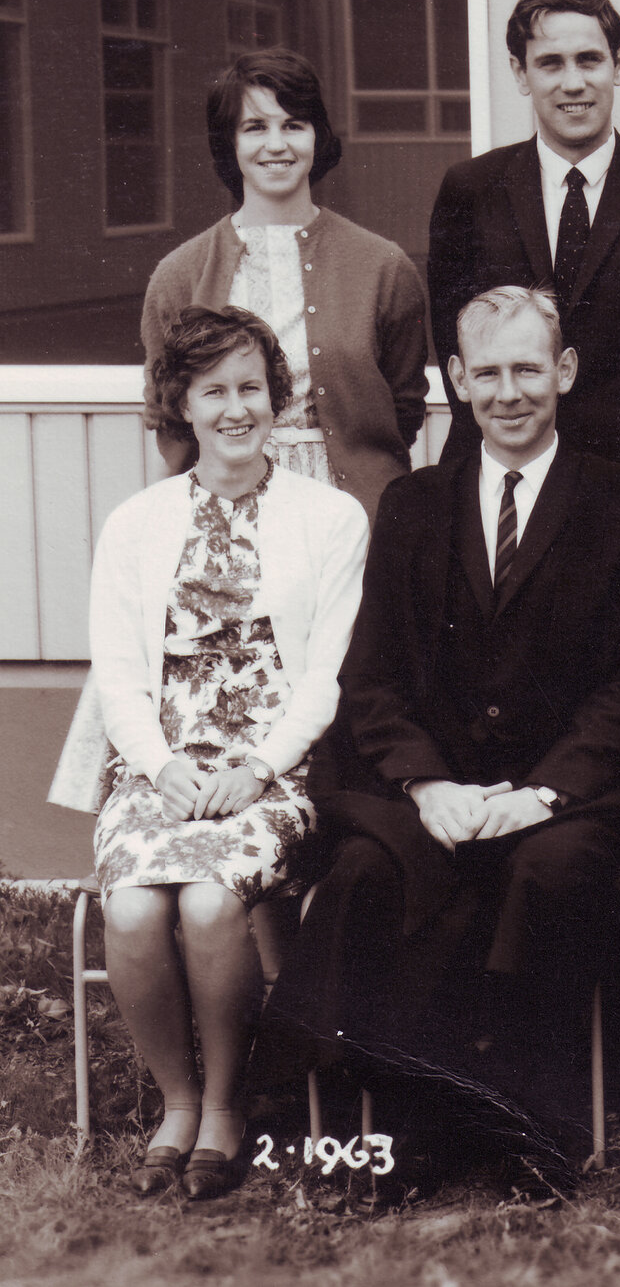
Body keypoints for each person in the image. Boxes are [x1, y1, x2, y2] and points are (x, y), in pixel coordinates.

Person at [254, 286, 620, 1201]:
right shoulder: (413, 505)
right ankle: (405, 1125)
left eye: (528, 368)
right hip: (436, 789)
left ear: (564, 372)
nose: (509, 391)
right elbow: (374, 678)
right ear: (455, 380)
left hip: (566, 793)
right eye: (488, 372)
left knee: (546, 875)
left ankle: (530, 1130)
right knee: (372, 875)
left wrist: (544, 791)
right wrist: (427, 786)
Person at [89, 306, 368, 1199]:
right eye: (214, 390)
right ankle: (175, 1100)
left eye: (252, 387)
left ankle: (225, 1103)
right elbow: (118, 673)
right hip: (158, 768)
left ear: (277, 399)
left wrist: (257, 767)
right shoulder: (135, 523)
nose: (236, 408)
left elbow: (328, 672)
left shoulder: (330, 518)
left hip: (274, 770)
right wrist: (163, 766)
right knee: (132, 909)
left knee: (211, 903)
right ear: (181, 403)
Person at [428, 0, 620, 493]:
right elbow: (454, 334)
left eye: (589, 60)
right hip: (504, 480)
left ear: (618, 64)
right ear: (521, 73)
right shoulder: (471, 189)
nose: (573, 82)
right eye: (550, 63)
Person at [142, 49, 428, 523]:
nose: (277, 144)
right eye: (255, 127)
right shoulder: (180, 274)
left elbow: (402, 410)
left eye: (294, 124)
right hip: (224, 510)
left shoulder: (383, 266)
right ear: (229, 142)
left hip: (360, 515)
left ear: (318, 136)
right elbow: (170, 416)